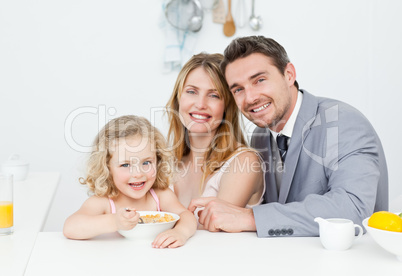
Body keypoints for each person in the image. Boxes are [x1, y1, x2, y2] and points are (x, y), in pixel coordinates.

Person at [188, 36, 388, 237]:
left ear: (289, 75)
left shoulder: (344, 123)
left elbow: (353, 209)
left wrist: (250, 217)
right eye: (238, 89)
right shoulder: (260, 136)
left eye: (260, 80)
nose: (250, 98)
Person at [63, 115, 197, 248]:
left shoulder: (161, 196)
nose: (138, 173)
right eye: (125, 165)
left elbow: (186, 216)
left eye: (146, 162)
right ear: (107, 168)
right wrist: (115, 221)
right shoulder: (103, 202)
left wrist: (180, 232)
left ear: (158, 161)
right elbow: (71, 227)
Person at [165, 53, 265, 217]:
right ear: (178, 99)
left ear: (227, 106)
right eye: (191, 91)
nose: (200, 104)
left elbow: (213, 229)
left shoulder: (244, 162)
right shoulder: (167, 161)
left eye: (214, 95)